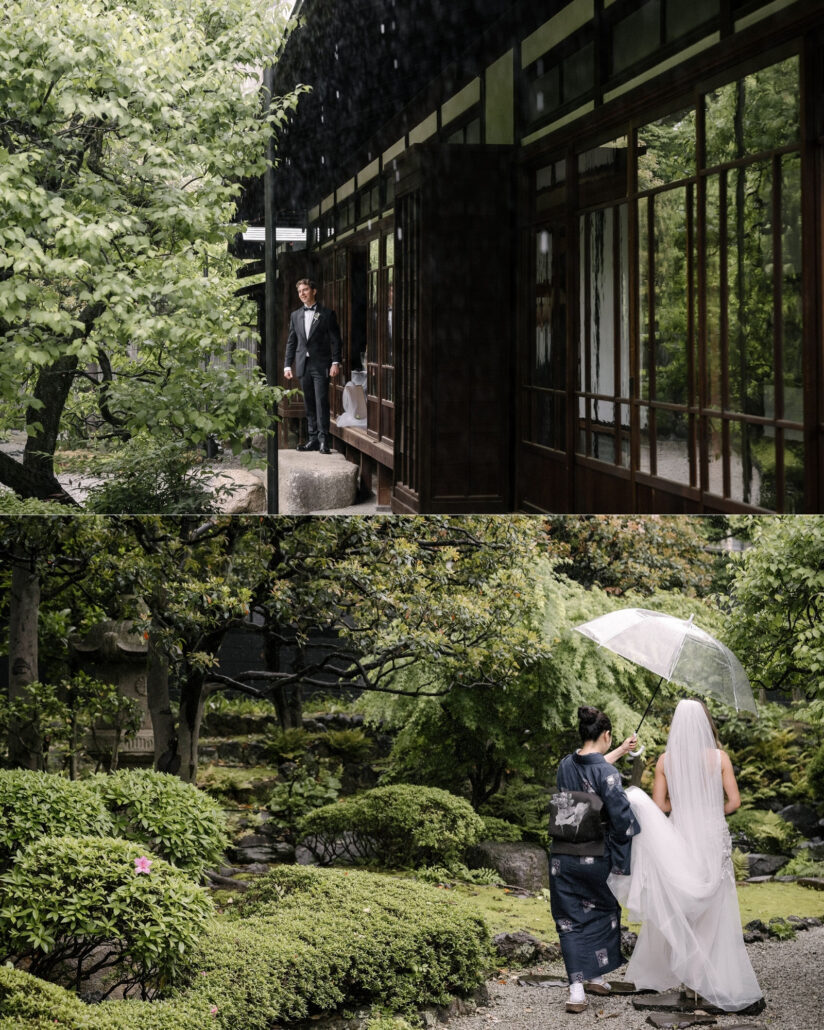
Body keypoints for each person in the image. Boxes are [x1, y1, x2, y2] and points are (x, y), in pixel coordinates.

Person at [608, 698, 763, 1012]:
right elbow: (734, 803)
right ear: (706, 724)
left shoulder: (666, 761)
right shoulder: (720, 758)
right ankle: (711, 978)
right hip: (712, 834)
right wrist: (708, 812)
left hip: (679, 835)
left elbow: (660, 807)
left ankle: (689, 981)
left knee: (682, 901)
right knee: (715, 906)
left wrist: (684, 809)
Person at [550, 706, 640, 1014]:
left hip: (562, 854)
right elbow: (623, 820)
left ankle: (580, 989)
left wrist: (619, 750)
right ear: (606, 734)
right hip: (595, 854)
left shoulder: (565, 764)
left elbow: (592, 767)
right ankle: (596, 973)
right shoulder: (608, 774)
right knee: (602, 912)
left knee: (569, 921)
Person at [284, 278, 342, 454]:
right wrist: (287, 365)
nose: (302, 294)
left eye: (305, 290)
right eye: (300, 291)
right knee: (308, 403)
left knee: (321, 402)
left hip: (321, 364)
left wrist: (335, 362)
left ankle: (324, 441)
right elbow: (291, 342)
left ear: (314, 291)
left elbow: (336, 340)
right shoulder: (295, 315)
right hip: (303, 365)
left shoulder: (327, 314)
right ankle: (313, 439)